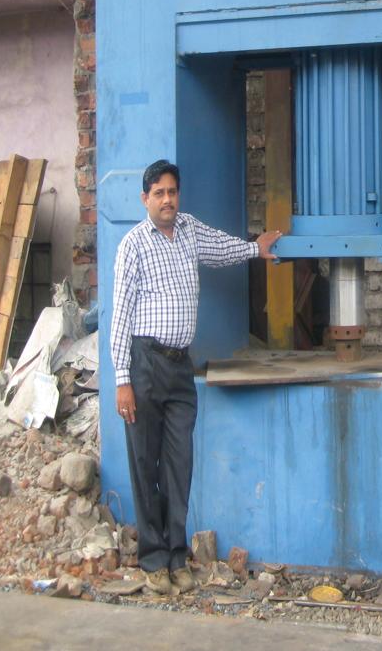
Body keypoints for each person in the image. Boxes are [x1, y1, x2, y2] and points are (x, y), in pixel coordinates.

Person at [110, 159, 281, 596]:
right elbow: (121, 315)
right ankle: (152, 560)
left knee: (178, 465)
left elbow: (222, 248)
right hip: (145, 364)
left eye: (172, 192)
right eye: (159, 193)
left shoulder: (188, 230)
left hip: (180, 368)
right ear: (145, 198)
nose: (167, 200)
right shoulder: (133, 244)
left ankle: (176, 555)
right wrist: (122, 379)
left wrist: (254, 249)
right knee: (144, 463)